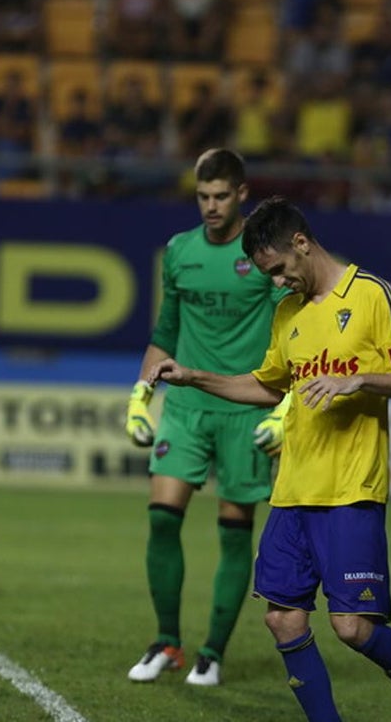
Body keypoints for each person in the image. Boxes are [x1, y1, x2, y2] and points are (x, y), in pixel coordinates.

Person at [146, 196, 391, 722]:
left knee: (352, 628)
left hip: (351, 491)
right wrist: (195, 375)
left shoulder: (374, 296)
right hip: (292, 492)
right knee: (283, 622)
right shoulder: (287, 313)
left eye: (278, 270)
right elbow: (267, 386)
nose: (275, 283)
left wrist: (360, 378)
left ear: (301, 243)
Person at [123, 148, 291, 688]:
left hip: (246, 408)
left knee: (235, 531)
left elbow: (294, 337)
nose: (211, 206)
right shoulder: (179, 251)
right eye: (202, 196)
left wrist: (284, 409)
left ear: (242, 194)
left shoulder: (264, 256)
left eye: (221, 196)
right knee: (161, 517)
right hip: (187, 406)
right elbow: (165, 331)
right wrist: (139, 397)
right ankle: (166, 641)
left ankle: (212, 651)